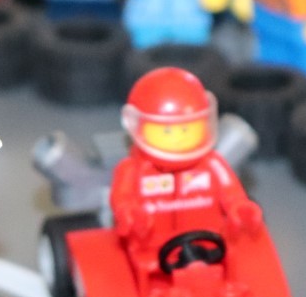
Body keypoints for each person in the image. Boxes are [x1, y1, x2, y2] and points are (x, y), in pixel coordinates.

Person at [110, 67, 261, 278]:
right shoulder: (133, 170)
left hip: (210, 244)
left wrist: (240, 208)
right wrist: (130, 214)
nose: (179, 138)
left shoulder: (212, 164)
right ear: (137, 125)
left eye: (187, 129)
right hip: (148, 249)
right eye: (167, 131)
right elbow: (122, 199)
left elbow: (232, 193)